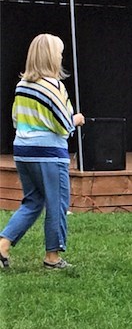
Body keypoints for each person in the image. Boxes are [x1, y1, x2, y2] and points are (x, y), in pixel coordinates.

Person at [0, 34, 85, 270]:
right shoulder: (54, 87)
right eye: (59, 54)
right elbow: (63, 124)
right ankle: (52, 257)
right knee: (57, 203)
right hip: (49, 154)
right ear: (51, 57)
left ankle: (3, 244)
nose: (61, 57)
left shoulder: (21, 86)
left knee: (32, 201)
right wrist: (76, 119)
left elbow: (15, 119)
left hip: (23, 151)